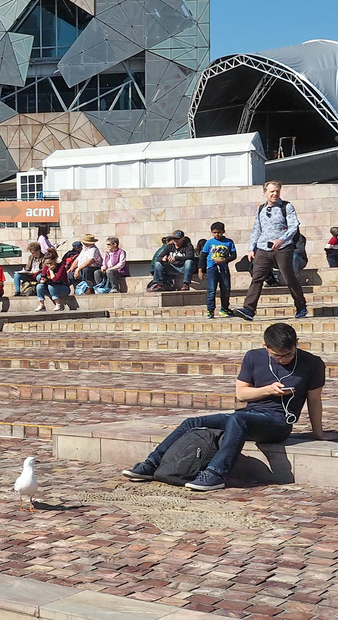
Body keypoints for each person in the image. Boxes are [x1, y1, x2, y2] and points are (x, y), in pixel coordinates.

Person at [123, 323, 325, 491]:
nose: (283, 360)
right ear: (266, 346)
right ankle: (151, 464)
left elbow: (314, 400)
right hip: (249, 414)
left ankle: (216, 473)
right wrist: (268, 390)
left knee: (238, 420)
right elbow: (242, 394)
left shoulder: (312, 363)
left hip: (278, 423)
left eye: (288, 355)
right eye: (276, 356)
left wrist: (319, 434)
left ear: (296, 344)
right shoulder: (253, 357)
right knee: (194, 422)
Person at [236, 182, 307, 321]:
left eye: (277, 191)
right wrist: (252, 248)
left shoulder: (286, 206)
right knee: (257, 278)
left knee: (289, 278)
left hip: (283, 248)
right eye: (272, 191)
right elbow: (257, 228)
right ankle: (249, 309)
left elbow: (294, 226)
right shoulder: (261, 208)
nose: (275, 194)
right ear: (265, 193)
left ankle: (301, 306)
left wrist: (281, 240)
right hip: (263, 248)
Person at [202, 222, 237, 319]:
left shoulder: (229, 242)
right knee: (212, 290)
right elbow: (203, 256)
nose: (217, 235)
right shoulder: (209, 243)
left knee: (225, 289)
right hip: (212, 268)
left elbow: (234, 255)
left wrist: (224, 260)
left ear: (223, 232)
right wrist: (201, 270)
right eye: (214, 233)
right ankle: (210, 310)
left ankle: (224, 308)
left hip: (223, 269)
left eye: (219, 232)